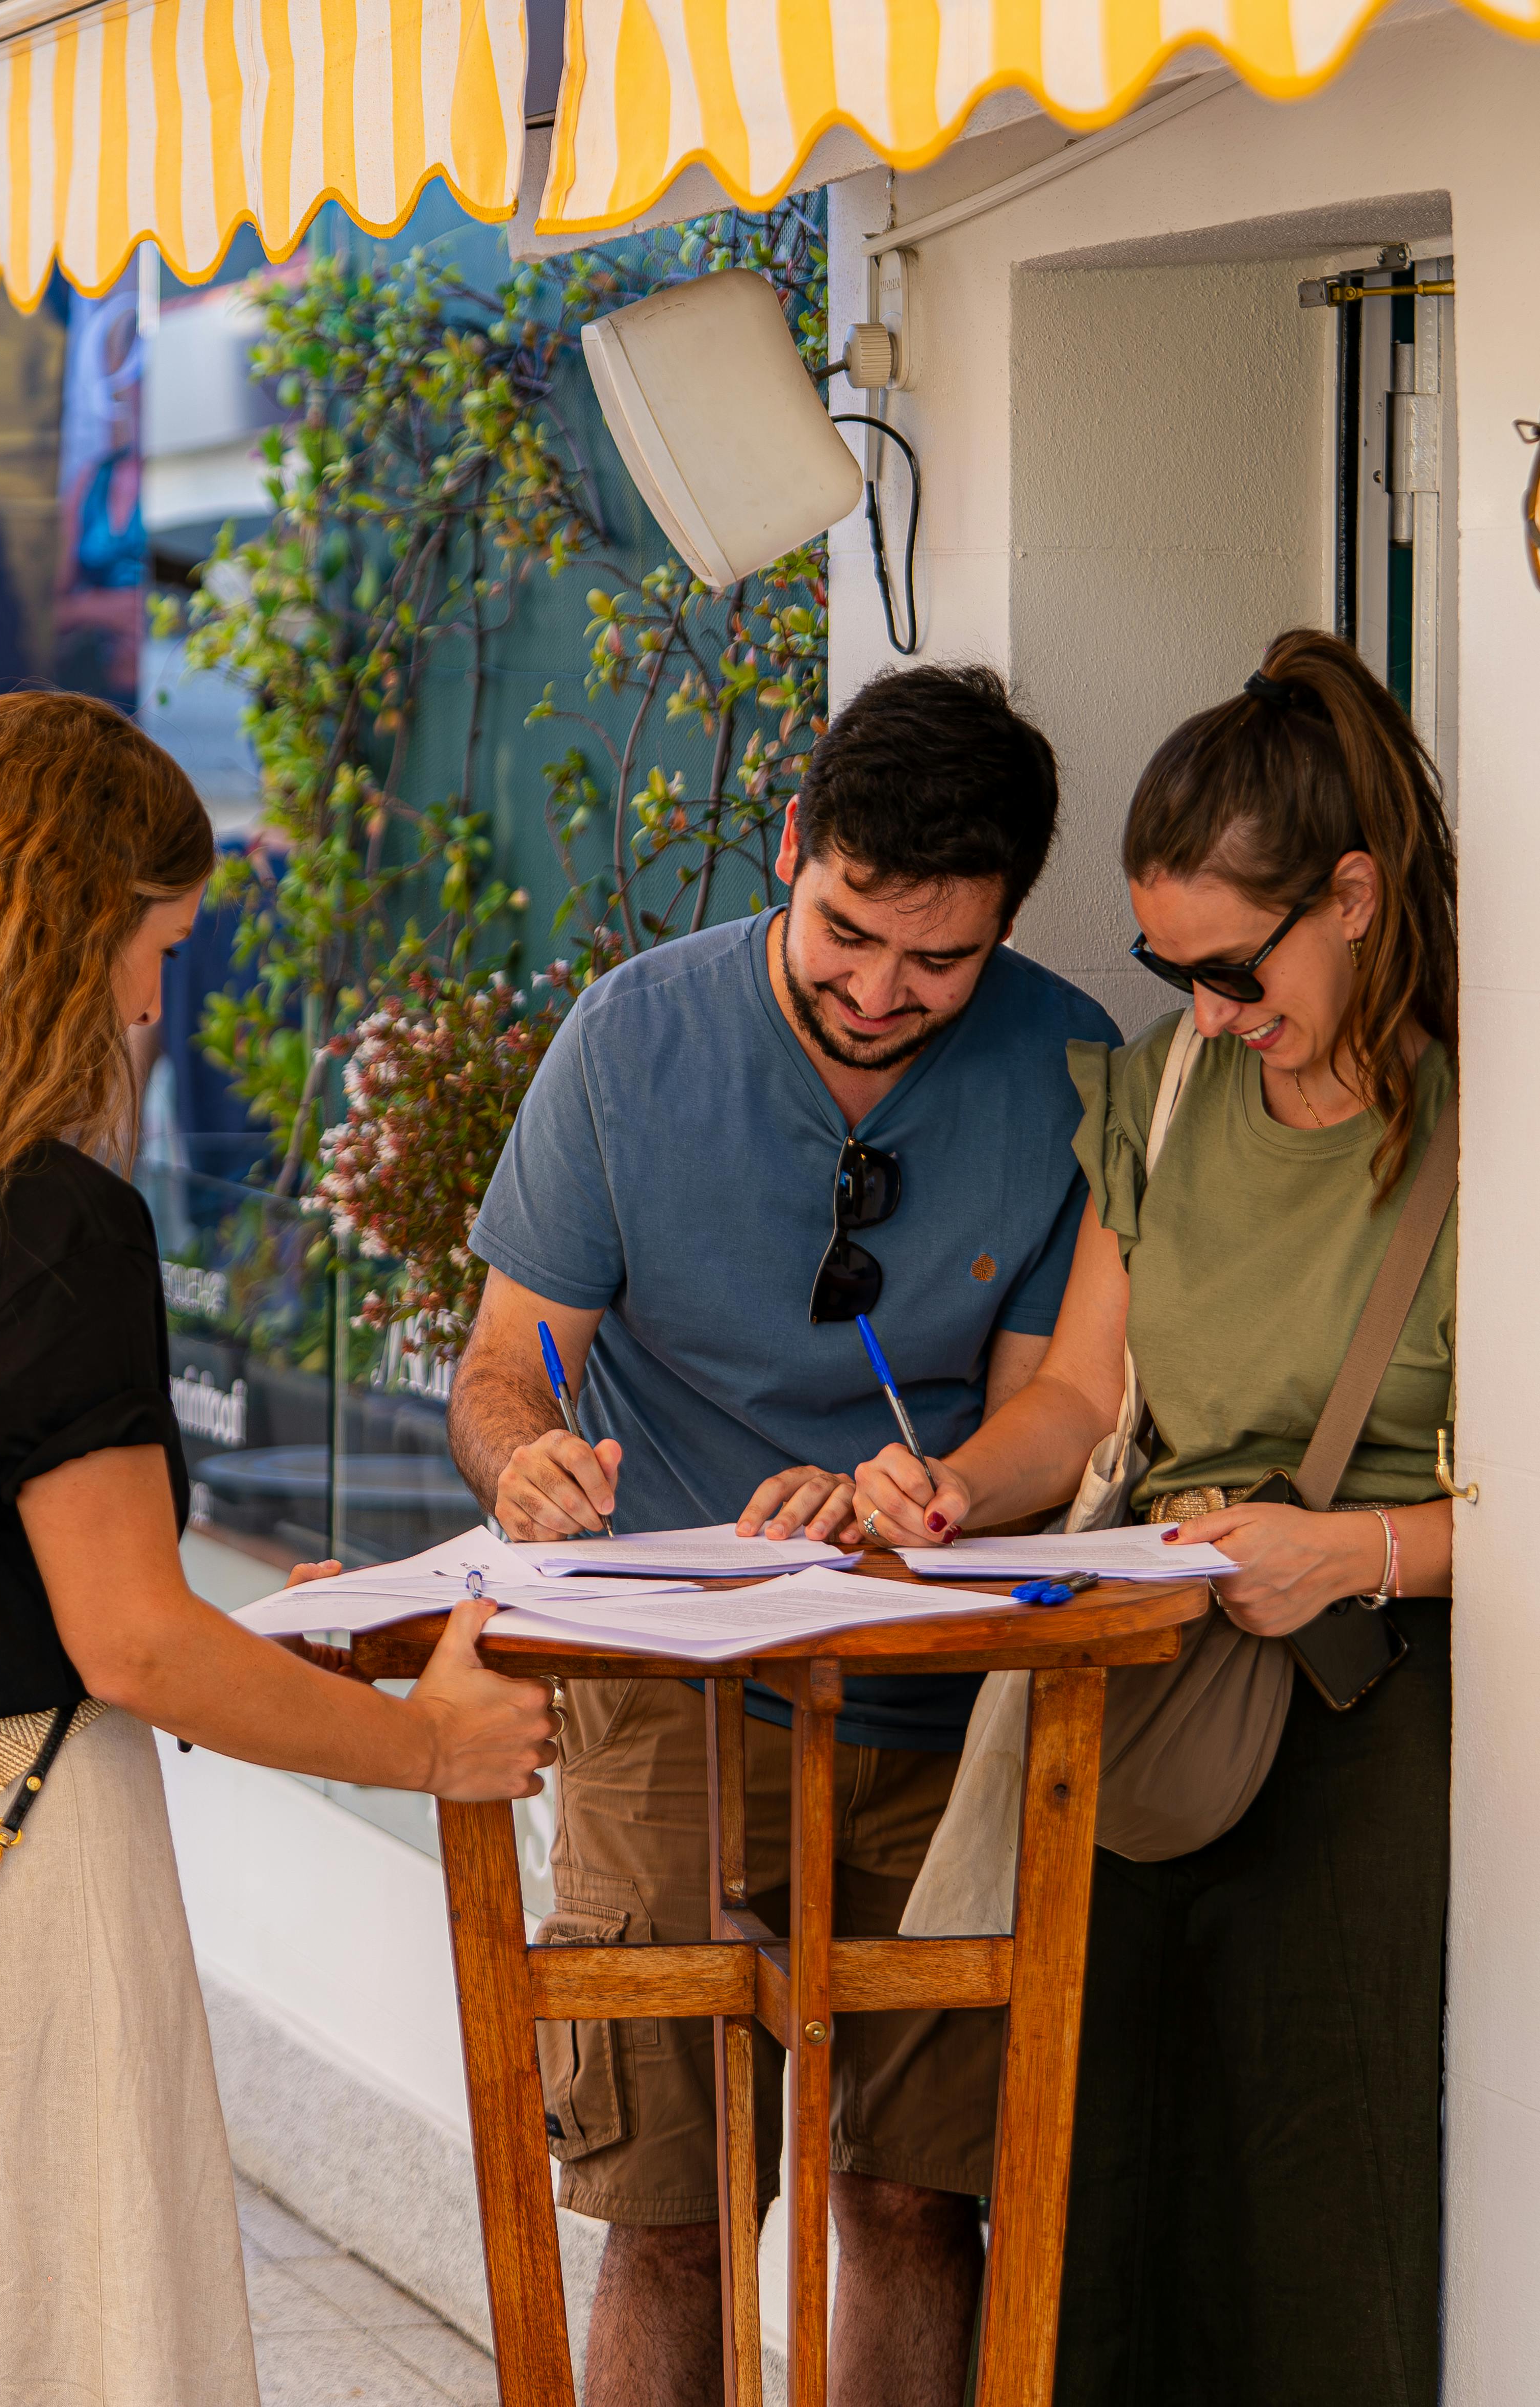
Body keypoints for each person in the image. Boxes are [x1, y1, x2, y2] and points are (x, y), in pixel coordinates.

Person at [449, 662, 1120, 2407]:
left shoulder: (1066, 1063)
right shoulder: (629, 1036)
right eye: (847, 933)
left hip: (939, 1697)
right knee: (667, 2210)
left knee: (913, 2198)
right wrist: (525, 1464)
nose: (883, 993)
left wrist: (949, 1483)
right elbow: (505, 1373)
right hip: (662, 1701)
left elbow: (1062, 1408)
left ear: (1005, 926)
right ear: (795, 843)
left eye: (938, 960)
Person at [0, 691, 559, 2407]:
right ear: (63, 928)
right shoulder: (51, 1219)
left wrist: (240, 1659)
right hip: (10, 1862)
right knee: (50, 2327)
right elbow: (130, 1639)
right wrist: (427, 1744)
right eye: (157, 942)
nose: (155, 1001)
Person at [856, 630, 1456, 2407]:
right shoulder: (1176, 1088)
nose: (1203, 1007)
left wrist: (1359, 1551)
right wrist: (959, 1489)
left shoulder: (1475, 1134)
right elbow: (1080, 1405)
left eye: (1232, 965)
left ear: (1353, 897)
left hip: (1375, 1707)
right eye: (1165, 966)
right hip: (1148, 1691)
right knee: (1097, 2197)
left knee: (1316, 2213)